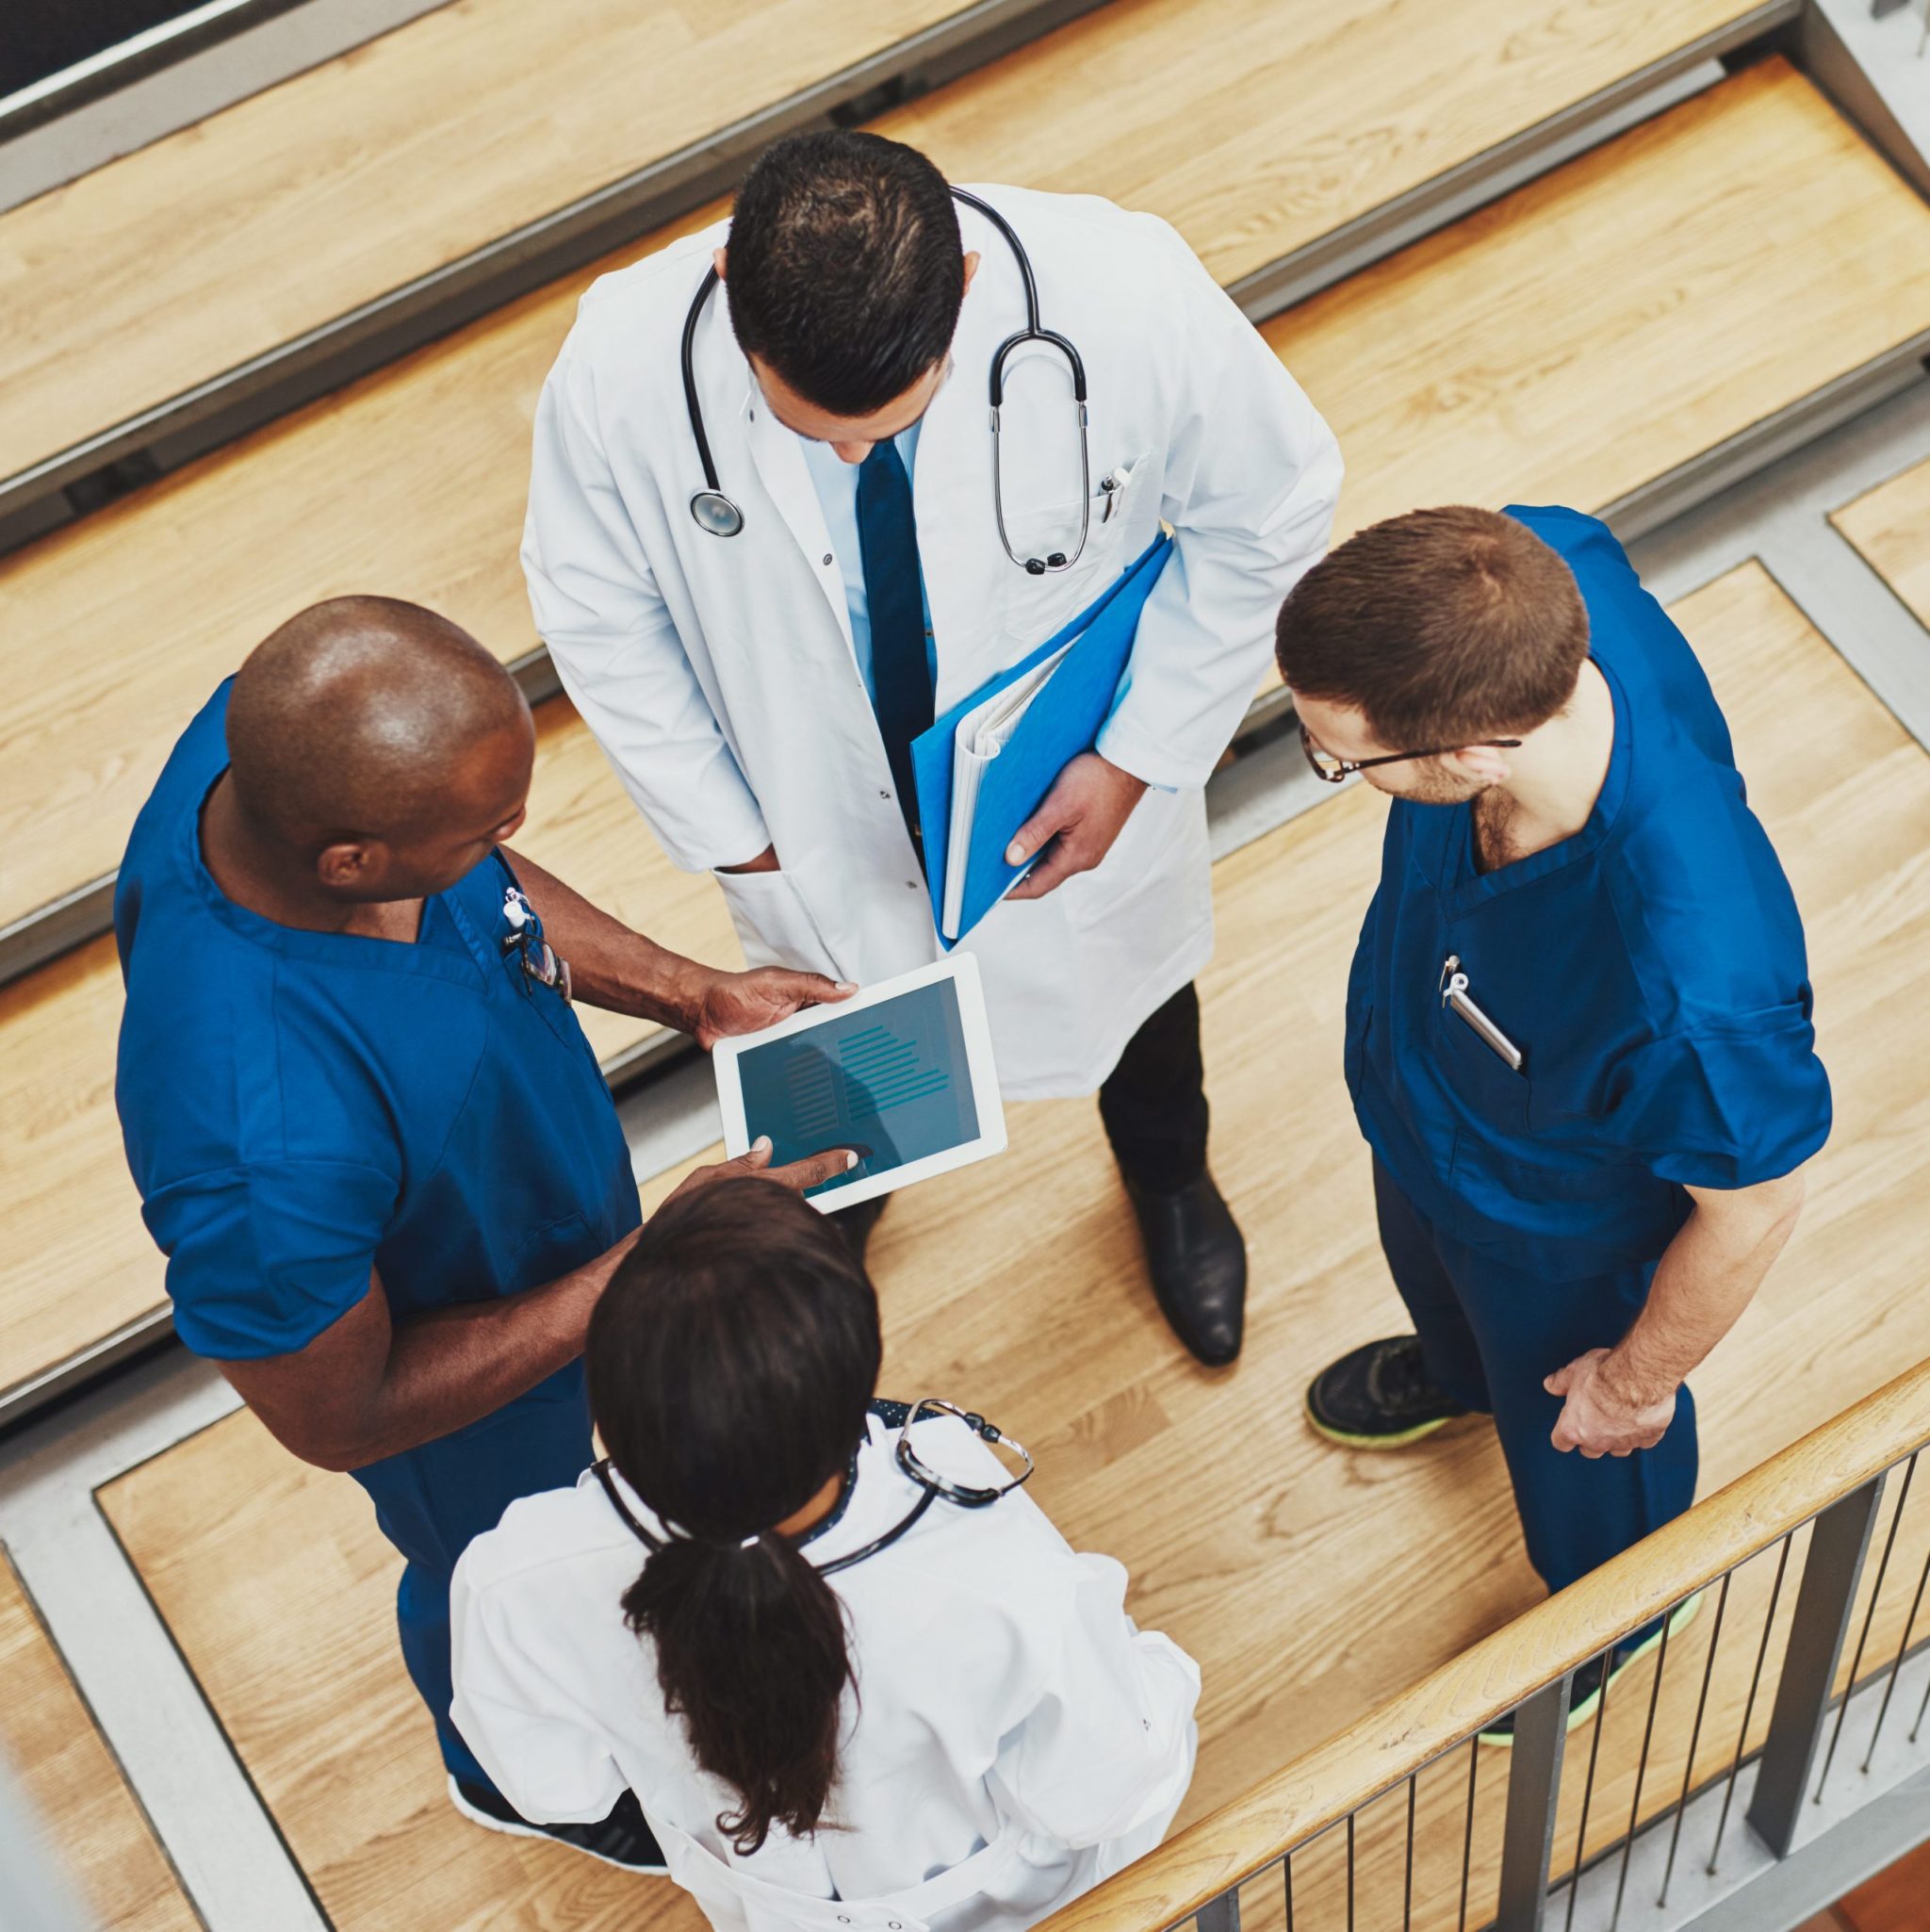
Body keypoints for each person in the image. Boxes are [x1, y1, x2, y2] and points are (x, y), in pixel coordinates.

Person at [523, 128, 1342, 1365]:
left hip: (1073, 788)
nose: (850, 455)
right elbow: (595, 611)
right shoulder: (621, 362)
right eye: (810, 430)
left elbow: (1272, 512)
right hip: (804, 817)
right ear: (729, 294)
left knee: (1137, 1001)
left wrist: (1137, 750)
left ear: (960, 288)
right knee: (843, 1044)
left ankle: (1172, 1181)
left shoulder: (1122, 287)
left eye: (882, 425)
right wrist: (735, 837)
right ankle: (840, 1214)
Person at [113, 598, 857, 1867]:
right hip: (462, 1391)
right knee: (503, 1574)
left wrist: (696, 994)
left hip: (558, 1233)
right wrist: (650, 1265)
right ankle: (506, 1776)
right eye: (486, 826)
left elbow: (486, 903)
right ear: (349, 859)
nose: (512, 839)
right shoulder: (254, 1133)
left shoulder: (275, 745)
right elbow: (338, 1414)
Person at [1275, 506, 1829, 1738]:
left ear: (1474, 755)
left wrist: (1637, 1379)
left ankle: (1623, 1605)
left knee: (1585, 1462)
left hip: (1559, 1234)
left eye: (1338, 757)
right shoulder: (1528, 563)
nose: (1327, 769)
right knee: (1437, 1285)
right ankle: (1461, 1371)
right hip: (1427, 1117)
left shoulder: (1695, 976)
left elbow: (1760, 1205)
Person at [450, 1179, 1200, 1928]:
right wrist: (1163, 1674)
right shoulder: (978, 1549)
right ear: (859, 1383)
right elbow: (1100, 1785)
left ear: (608, 1414)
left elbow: (554, 1788)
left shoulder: (516, 1574)